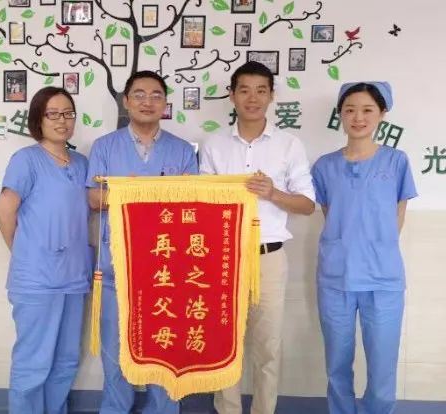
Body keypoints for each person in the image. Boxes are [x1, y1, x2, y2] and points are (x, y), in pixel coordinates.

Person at [199, 61, 315, 414]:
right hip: (223, 257)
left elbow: (307, 205)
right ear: (231, 95)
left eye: (261, 90)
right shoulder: (214, 144)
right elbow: (201, 202)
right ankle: (227, 410)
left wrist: (273, 193)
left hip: (269, 258)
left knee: (268, 347)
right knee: (225, 344)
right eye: (244, 90)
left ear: (271, 96)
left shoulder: (289, 145)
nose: (253, 98)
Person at [86, 70, 198, 414]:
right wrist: (141, 192)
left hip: (167, 273)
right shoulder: (105, 147)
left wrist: (132, 192)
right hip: (116, 270)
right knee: (116, 355)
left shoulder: (182, 150)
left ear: (165, 104)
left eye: (155, 95)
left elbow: (191, 206)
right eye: (139, 94)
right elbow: (94, 198)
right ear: (126, 101)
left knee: (164, 355)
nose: (147, 102)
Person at [311, 82, 417, 414]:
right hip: (336, 278)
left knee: (383, 366)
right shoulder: (324, 166)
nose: (358, 117)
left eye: (368, 110)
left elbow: (398, 216)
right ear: (340, 114)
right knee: (337, 364)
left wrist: (376, 251)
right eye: (350, 110)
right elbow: (330, 214)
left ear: (382, 114)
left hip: (383, 279)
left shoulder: (396, 161)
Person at [0, 86, 91, 414]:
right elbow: (4, 211)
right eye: (53, 114)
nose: (62, 120)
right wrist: (24, 252)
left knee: (66, 361)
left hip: (74, 278)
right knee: (33, 364)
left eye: (68, 113)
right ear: (38, 119)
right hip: (37, 281)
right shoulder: (26, 160)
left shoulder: (81, 163)